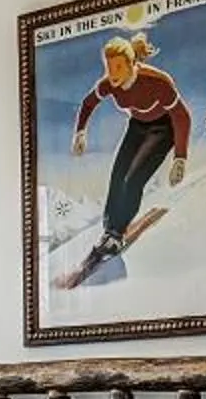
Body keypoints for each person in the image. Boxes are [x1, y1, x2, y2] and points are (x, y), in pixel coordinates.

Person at [57, 33, 190, 289]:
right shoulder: (110, 84)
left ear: (131, 64)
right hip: (137, 126)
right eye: (109, 67)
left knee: (132, 179)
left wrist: (180, 158)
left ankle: (116, 234)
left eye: (118, 67)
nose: (113, 73)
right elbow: (88, 103)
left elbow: (182, 116)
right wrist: (80, 132)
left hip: (164, 130)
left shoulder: (157, 83)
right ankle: (110, 229)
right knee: (117, 177)